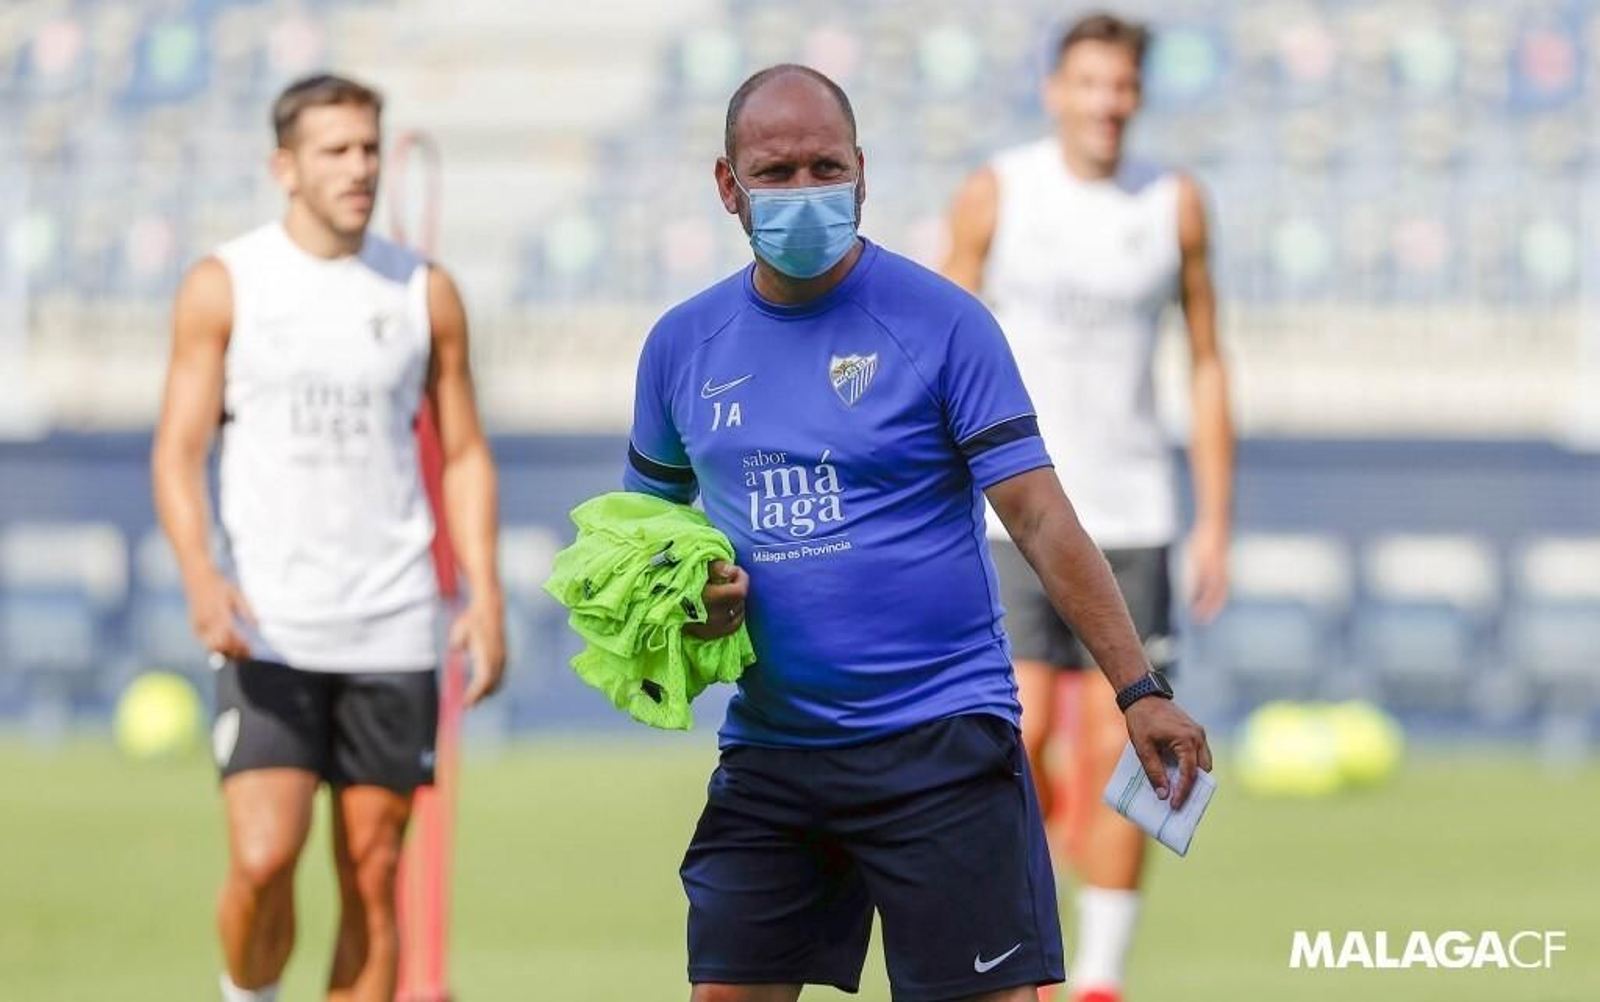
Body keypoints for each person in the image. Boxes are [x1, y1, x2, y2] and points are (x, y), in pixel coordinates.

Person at [622, 63, 1212, 1002]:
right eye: (776, 172)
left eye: (826, 167)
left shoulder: (943, 324)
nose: (805, 191)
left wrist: (1138, 690)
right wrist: (690, 601)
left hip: (940, 746)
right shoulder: (679, 347)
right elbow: (643, 542)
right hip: (774, 751)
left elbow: (1039, 516)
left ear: (862, 173)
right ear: (729, 186)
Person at [151, 73, 505, 1002]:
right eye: (335, 150)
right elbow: (178, 451)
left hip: (394, 623)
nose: (359, 168)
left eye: (369, 149)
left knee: (374, 873)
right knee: (264, 857)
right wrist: (200, 574)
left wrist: (484, 593)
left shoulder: (425, 292)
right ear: (285, 166)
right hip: (270, 624)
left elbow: (465, 454)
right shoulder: (225, 285)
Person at [942, 13, 1234, 1002]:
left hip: (1134, 513)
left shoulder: (1173, 204)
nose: (1107, 102)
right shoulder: (998, 192)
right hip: (1012, 513)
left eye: (1123, 85)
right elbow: (934, 346)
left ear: (1138, 96)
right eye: (1090, 82)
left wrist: (1215, 517)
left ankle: (1101, 976)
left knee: (1136, 750)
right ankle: (1009, 951)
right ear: (1055, 90)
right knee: (1013, 734)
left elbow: (1207, 360)